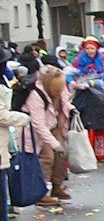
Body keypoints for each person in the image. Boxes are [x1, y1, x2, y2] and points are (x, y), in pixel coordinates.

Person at [23, 64, 71, 205]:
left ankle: (57, 186)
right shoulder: (36, 95)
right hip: (38, 130)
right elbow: (38, 124)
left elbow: (65, 101)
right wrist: (54, 143)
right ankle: (40, 193)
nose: (59, 92)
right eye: (56, 90)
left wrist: (71, 110)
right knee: (47, 158)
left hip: (54, 124)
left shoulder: (60, 88)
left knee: (63, 153)